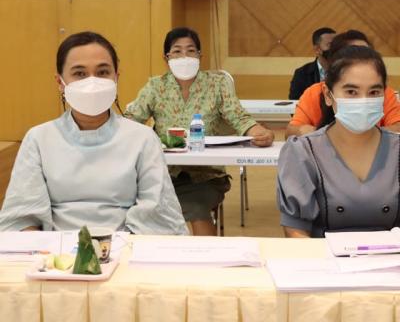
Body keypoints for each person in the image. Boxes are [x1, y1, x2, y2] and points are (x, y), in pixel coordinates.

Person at [0, 31, 188, 234]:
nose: (92, 82)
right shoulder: (39, 139)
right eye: (80, 74)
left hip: (127, 244)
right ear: (60, 83)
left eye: (103, 72)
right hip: (55, 248)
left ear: (116, 78)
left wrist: (118, 248)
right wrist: (45, 251)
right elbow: (22, 218)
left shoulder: (142, 139)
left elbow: (157, 215)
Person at [125, 27, 274, 236]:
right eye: (177, 51)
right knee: (141, 206)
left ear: (200, 56)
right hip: (162, 172)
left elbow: (238, 116)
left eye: (190, 51)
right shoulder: (155, 86)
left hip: (206, 174)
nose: (184, 57)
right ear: (166, 57)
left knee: (196, 206)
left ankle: (206, 255)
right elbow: (131, 121)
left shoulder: (217, 84)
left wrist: (259, 131)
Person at [277, 45, 400, 238]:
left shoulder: (396, 149)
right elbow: (296, 229)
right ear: (328, 95)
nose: (363, 101)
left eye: (374, 92)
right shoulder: (303, 151)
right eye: (351, 91)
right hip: (323, 255)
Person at [286, 30, 400, 137]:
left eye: (367, 54)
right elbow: (293, 131)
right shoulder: (314, 93)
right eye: (351, 92)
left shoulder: (384, 93)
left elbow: (397, 127)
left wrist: (369, 138)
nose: (362, 61)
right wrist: (326, 137)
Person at [288, 27, 336, 99]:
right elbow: (295, 101)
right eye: (330, 45)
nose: (335, 48)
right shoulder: (302, 74)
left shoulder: (345, 70)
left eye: (337, 44)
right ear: (317, 49)